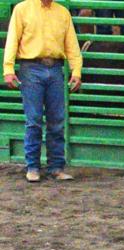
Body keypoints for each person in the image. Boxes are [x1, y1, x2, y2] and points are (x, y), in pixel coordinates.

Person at [3, 0, 82, 183]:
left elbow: (72, 44)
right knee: (34, 120)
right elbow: (12, 40)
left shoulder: (63, 13)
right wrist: (8, 68)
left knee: (57, 120)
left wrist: (76, 71)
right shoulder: (22, 9)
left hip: (53, 68)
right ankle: (33, 167)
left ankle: (55, 167)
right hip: (31, 67)